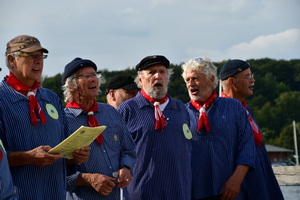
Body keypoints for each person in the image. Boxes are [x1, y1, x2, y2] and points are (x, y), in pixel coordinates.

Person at [0, 35, 90, 200]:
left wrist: (74, 155)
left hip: (56, 192)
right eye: (31, 55)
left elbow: (63, 146)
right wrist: (27, 157)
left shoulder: (51, 98)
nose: (38, 61)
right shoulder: (2, 97)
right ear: (11, 59)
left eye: (41, 56)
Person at [118, 55, 193, 200]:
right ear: (140, 80)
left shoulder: (181, 109)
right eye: (151, 72)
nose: (158, 76)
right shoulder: (128, 109)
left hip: (178, 191)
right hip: (141, 192)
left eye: (162, 71)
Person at [181, 57, 256, 200]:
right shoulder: (181, 114)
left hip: (230, 192)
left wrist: (236, 180)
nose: (190, 84)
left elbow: (247, 147)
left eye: (195, 78)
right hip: (194, 192)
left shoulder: (234, 108)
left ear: (210, 79)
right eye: (187, 80)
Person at [62, 57, 137, 200]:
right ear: (71, 85)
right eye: (86, 76)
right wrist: (87, 179)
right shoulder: (62, 121)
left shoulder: (111, 113)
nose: (93, 79)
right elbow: (54, 173)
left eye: (94, 75)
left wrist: (126, 168)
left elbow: (129, 150)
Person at [220, 59, 284, 200]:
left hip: (262, 182)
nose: (253, 80)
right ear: (232, 81)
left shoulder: (246, 109)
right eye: (247, 76)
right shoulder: (220, 113)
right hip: (241, 188)